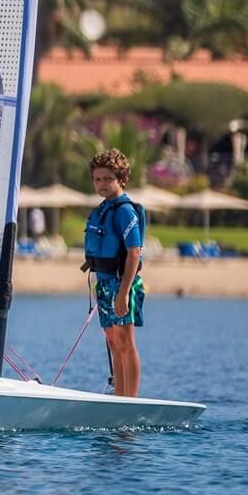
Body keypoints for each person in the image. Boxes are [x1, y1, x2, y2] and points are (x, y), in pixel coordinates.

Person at [83, 149, 145, 398]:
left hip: (122, 284)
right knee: (113, 342)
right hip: (104, 283)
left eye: (108, 178)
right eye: (97, 179)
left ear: (121, 179)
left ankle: (130, 400)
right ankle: (119, 397)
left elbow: (134, 253)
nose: (102, 184)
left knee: (126, 344)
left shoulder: (125, 212)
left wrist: (124, 292)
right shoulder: (102, 210)